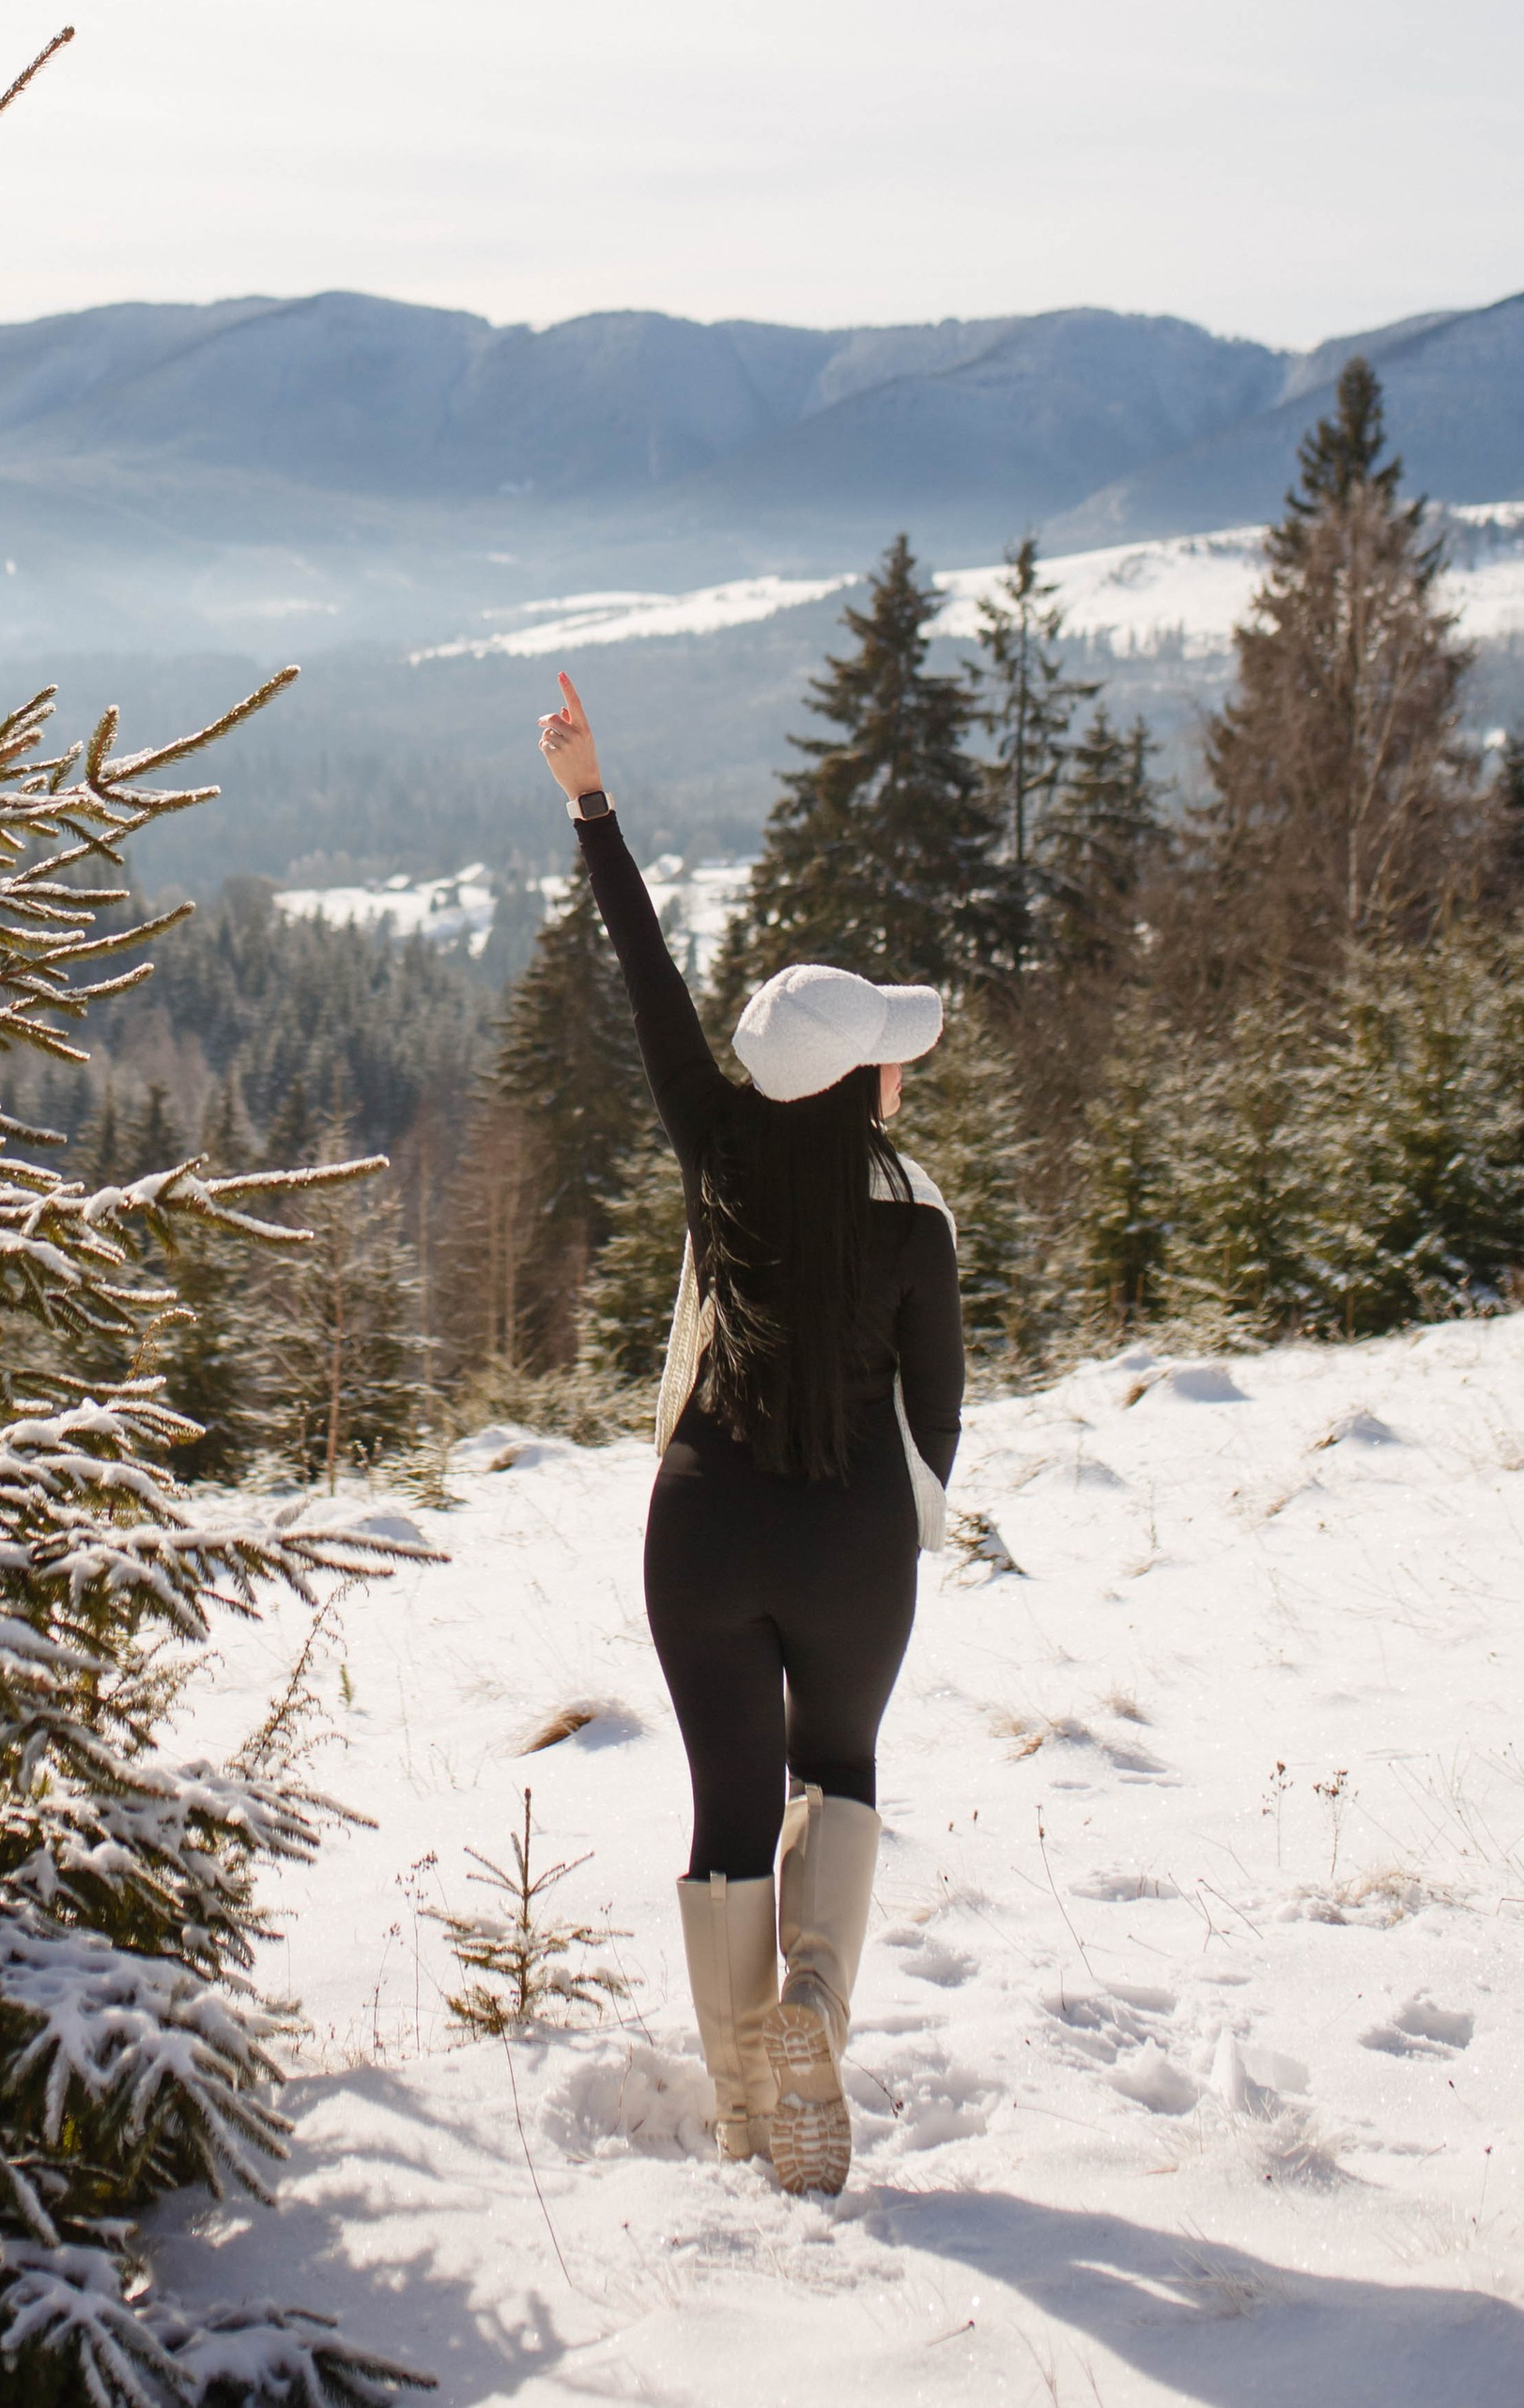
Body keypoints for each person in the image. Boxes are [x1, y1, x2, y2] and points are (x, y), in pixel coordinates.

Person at [537, 669, 963, 2198]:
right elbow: (939, 1429)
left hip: (700, 1529)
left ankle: (743, 2113)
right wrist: (885, 1530)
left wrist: (592, 795)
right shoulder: (916, 1229)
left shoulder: (715, 1157)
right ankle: (817, 2016)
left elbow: (647, 978)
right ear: (861, 1085)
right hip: (849, 1540)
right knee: (834, 1768)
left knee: (724, 1812)